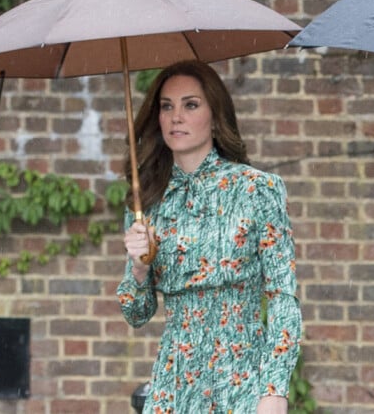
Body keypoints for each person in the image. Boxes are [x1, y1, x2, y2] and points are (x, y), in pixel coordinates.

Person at [116, 59, 301, 414]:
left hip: (243, 377)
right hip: (176, 383)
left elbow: (282, 296)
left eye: (190, 104)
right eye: (166, 106)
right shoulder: (148, 200)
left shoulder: (256, 190)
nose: (176, 117)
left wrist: (275, 387)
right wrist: (139, 270)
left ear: (215, 117)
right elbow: (137, 314)